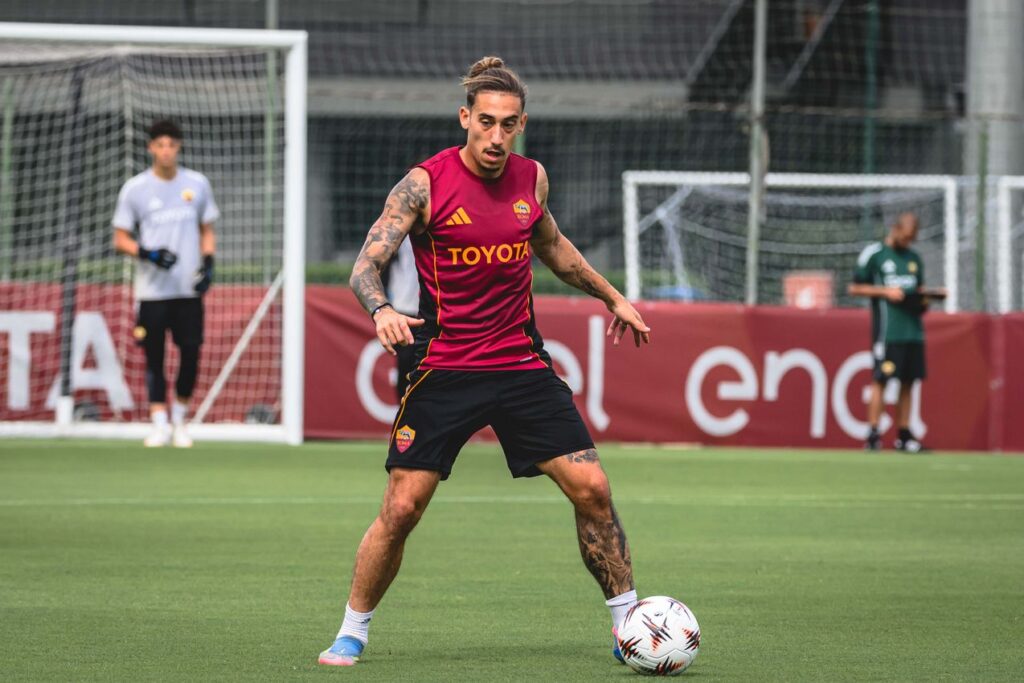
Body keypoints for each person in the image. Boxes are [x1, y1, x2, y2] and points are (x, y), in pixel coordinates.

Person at [319, 56, 652, 667]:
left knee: (594, 490)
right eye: (487, 123)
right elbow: (365, 264)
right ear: (465, 118)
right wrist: (381, 310)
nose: (498, 137)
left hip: (521, 364)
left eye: (510, 125)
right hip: (444, 365)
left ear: (521, 124)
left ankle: (632, 626)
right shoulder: (423, 184)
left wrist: (614, 296)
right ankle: (353, 629)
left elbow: (553, 247)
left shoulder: (532, 178)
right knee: (402, 507)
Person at [112, 119, 219, 448]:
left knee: (190, 354)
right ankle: (158, 422)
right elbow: (120, 238)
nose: (166, 150)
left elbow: (206, 229)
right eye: (160, 144)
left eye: (172, 144)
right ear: (151, 148)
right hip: (152, 290)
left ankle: (180, 421)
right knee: (154, 357)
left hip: (188, 289)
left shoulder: (196, 184)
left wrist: (209, 263)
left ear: (179, 147)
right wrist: (148, 253)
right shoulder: (135, 188)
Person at [848, 212, 944, 452]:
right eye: (905, 237)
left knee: (909, 381)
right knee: (881, 379)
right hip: (888, 331)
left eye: (912, 239)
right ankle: (873, 434)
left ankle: (904, 435)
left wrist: (928, 297)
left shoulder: (913, 258)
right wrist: (885, 292)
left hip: (913, 330)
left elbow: (917, 290)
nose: (907, 242)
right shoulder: (875, 254)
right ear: (895, 229)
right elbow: (855, 287)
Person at [381, 237, 419, 399]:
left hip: (434, 309)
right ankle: (404, 415)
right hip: (403, 309)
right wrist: (383, 307)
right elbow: (377, 266)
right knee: (405, 368)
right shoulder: (395, 229)